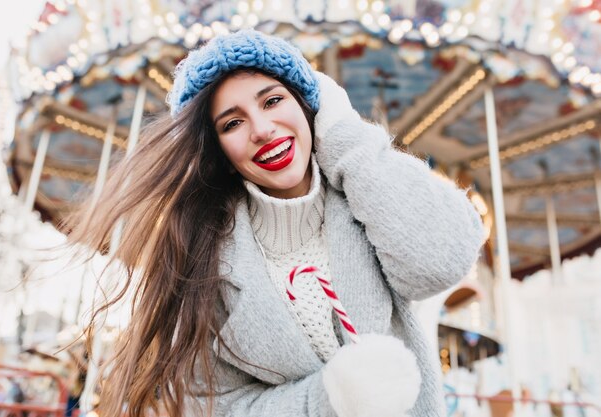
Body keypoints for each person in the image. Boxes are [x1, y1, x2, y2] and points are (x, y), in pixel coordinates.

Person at [66, 30, 485, 417]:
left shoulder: (370, 201)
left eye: (272, 101)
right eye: (233, 123)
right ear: (217, 151)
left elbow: (439, 262)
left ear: (307, 106)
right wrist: (328, 399)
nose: (262, 130)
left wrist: (346, 136)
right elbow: (217, 407)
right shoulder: (204, 264)